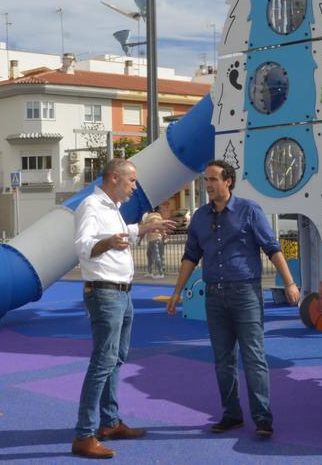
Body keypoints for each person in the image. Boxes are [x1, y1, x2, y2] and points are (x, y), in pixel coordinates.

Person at [166, 159, 301, 438]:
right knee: (222, 359)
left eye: (213, 179)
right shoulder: (201, 217)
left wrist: (289, 283)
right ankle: (232, 414)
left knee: (253, 357)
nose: (208, 185)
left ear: (228, 181)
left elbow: (272, 248)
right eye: (206, 180)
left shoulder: (249, 210)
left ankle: (262, 418)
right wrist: (177, 291)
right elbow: (191, 256)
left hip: (246, 293)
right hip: (214, 295)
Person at [72, 158, 175, 459]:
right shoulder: (91, 206)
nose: (134, 187)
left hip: (119, 293)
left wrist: (142, 228)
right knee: (103, 361)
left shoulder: (110, 209)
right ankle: (84, 433)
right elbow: (83, 246)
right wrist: (109, 243)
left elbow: (118, 235)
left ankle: (110, 422)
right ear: (115, 178)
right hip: (105, 293)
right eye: (131, 181)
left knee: (115, 359)